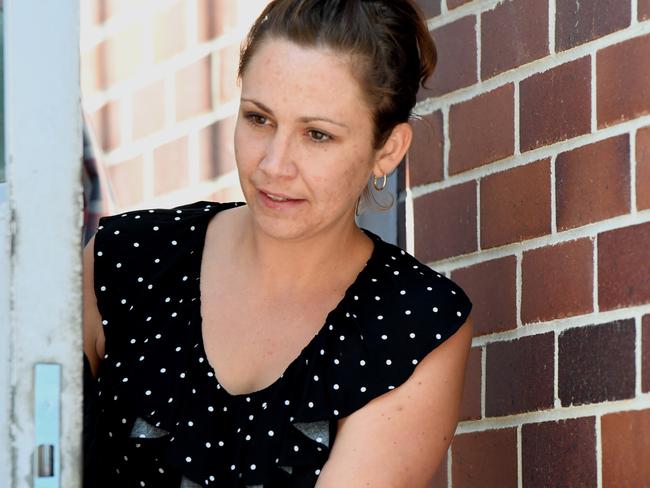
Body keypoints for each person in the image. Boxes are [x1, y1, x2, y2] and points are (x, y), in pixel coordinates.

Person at [82, 1, 474, 486]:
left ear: (387, 149)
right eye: (259, 119)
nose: (274, 164)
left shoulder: (413, 321)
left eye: (317, 135)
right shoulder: (125, 258)